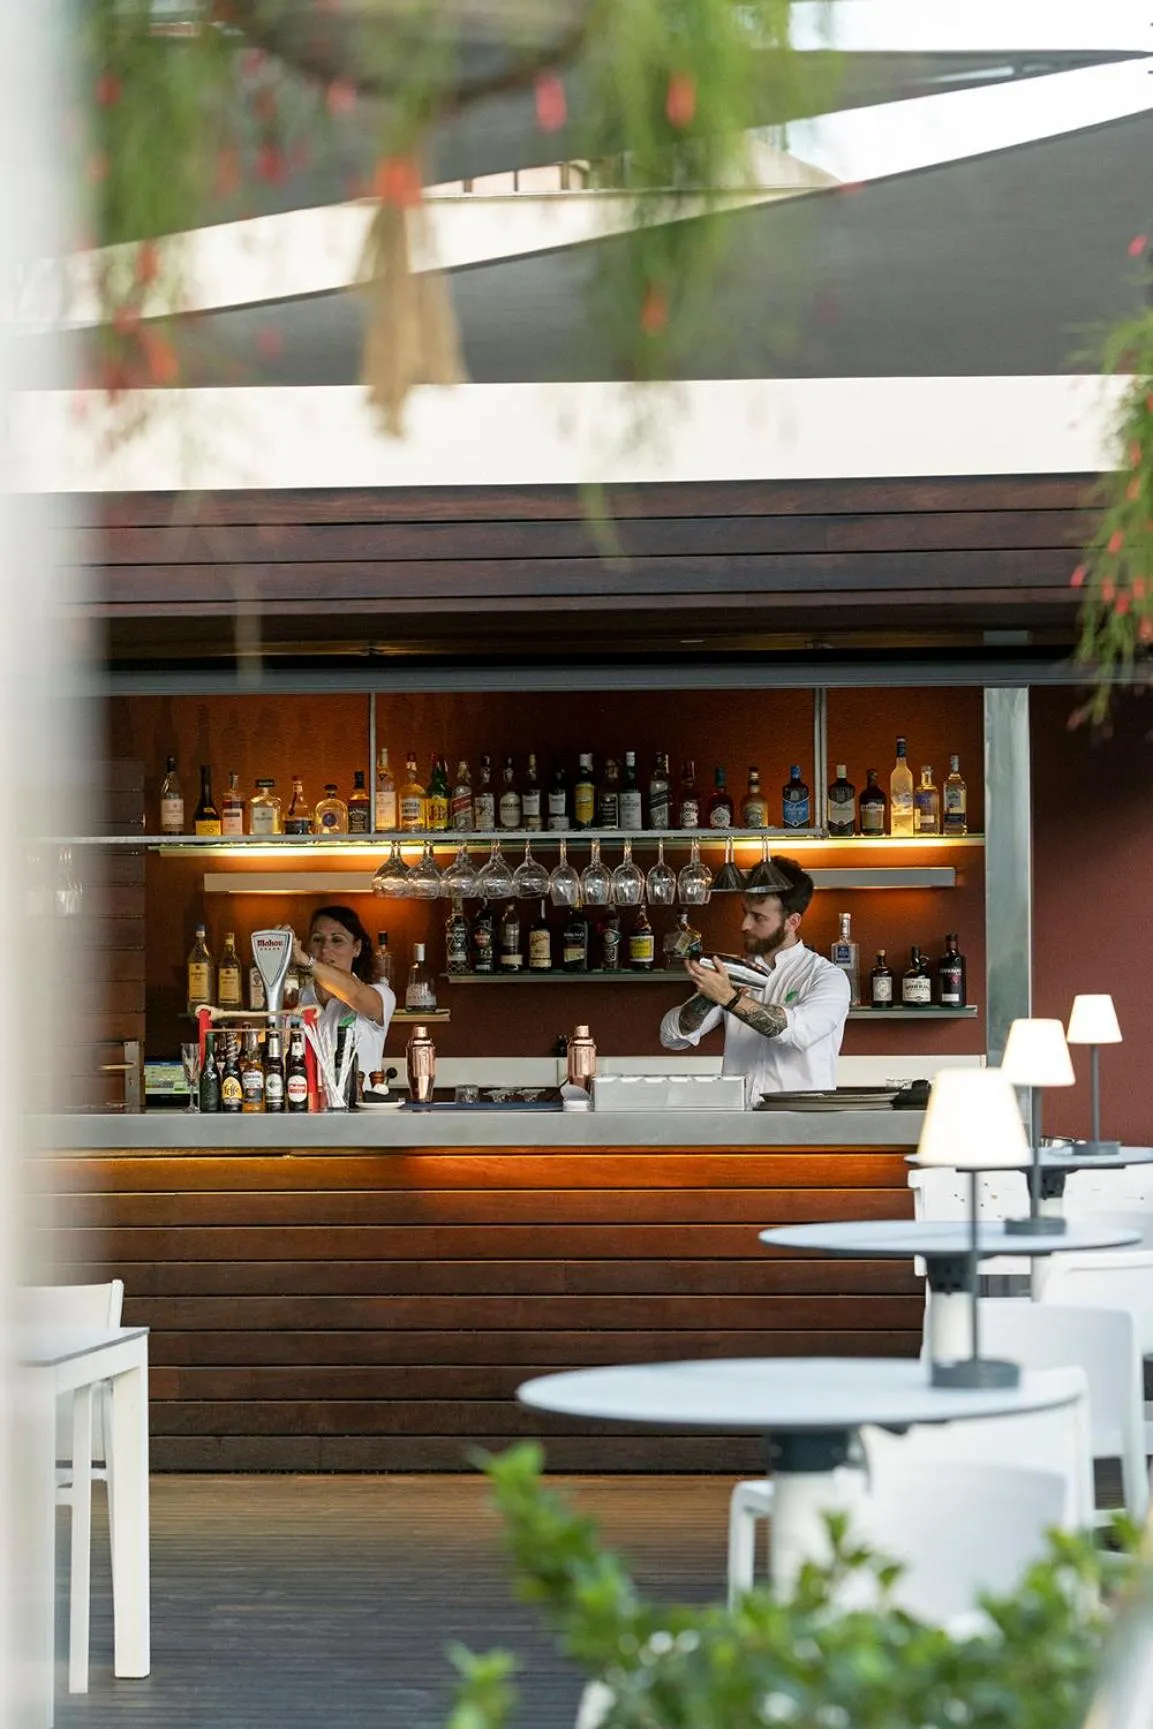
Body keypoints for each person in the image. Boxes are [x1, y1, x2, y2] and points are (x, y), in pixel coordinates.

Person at [659, 856, 850, 1104]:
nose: (744, 924)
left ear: (792, 922)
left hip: (802, 1128)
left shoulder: (827, 977)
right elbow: (672, 1037)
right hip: (739, 1125)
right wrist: (710, 997)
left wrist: (729, 998)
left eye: (758, 918)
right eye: (745, 913)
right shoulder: (734, 973)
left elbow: (799, 1033)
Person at [288, 905, 396, 1078]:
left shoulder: (381, 994)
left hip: (360, 1104)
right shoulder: (296, 1001)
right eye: (317, 939)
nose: (324, 949)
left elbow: (353, 993)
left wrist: (307, 962)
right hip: (305, 1103)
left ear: (357, 948)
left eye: (337, 940)